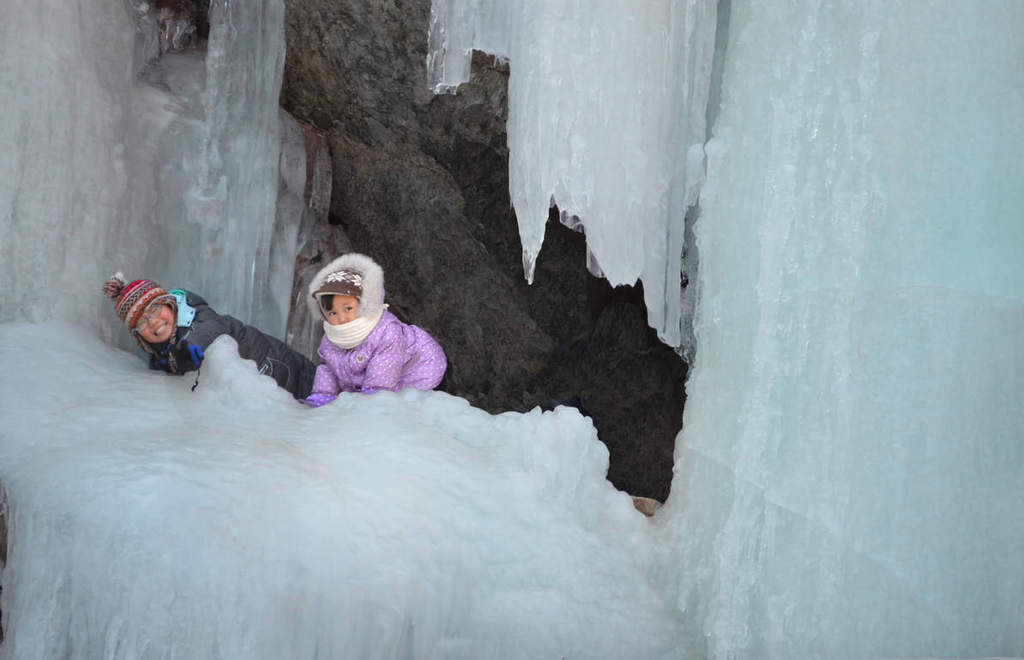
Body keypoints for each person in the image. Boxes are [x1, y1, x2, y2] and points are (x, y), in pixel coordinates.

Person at [102, 272, 316, 400]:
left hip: (280, 368)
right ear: (140, 337)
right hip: (258, 388)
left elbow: (209, 330)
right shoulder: (160, 356)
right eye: (143, 322)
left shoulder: (197, 315)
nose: (154, 322)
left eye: (155, 311)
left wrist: (189, 350)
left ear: (169, 304)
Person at [304, 253, 446, 407]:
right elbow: (328, 368)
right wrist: (322, 396)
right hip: (367, 376)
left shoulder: (387, 332)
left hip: (416, 366)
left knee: (401, 401)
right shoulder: (331, 338)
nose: (342, 318)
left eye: (348, 308)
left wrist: (373, 399)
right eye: (332, 313)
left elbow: (385, 367)